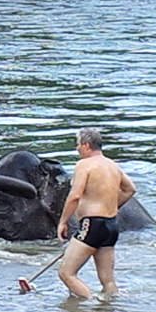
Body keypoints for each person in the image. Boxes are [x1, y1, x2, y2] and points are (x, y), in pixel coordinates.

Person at [55, 127, 137, 298]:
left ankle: (90, 309)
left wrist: (63, 221)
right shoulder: (113, 165)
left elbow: (75, 195)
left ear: (86, 145)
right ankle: (108, 310)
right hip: (111, 225)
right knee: (107, 280)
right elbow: (130, 189)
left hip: (92, 224)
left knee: (66, 273)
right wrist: (112, 206)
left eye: (77, 145)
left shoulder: (84, 165)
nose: (77, 149)